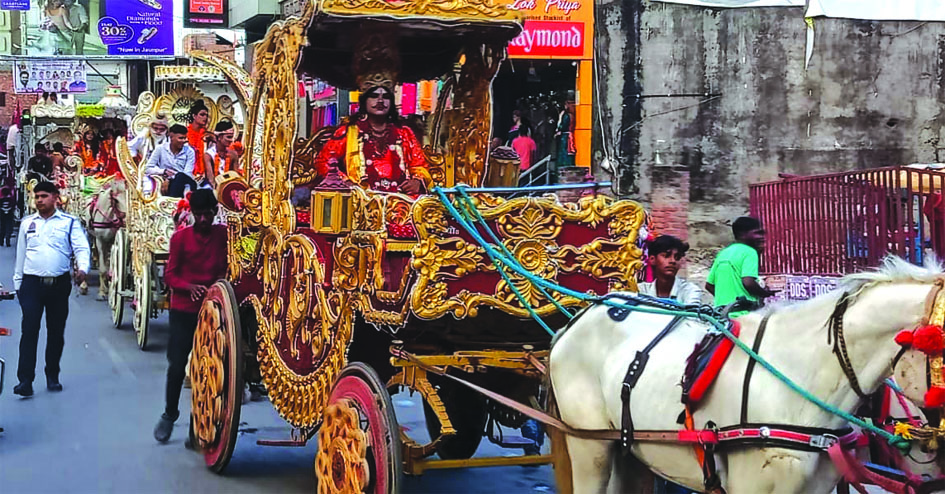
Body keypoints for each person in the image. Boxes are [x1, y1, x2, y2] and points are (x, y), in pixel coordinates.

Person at [153, 189, 227, 443]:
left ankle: (200, 423)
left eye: (208, 214)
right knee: (177, 365)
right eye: (199, 215)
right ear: (192, 214)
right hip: (184, 310)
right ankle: (169, 414)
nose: (204, 219)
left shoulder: (223, 236)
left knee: (211, 369)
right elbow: (170, 276)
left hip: (215, 312)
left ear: (216, 212)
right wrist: (190, 287)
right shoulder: (180, 239)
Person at [12, 181, 90, 396]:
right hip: (31, 284)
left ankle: (52, 375)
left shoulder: (69, 222)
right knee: (29, 331)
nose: (39, 200)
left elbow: (82, 247)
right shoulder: (28, 223)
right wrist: (18, 285)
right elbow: (21, 255)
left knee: (56, 332)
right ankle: (25, 380)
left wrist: (82, 268)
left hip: (58, 285)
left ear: (55, 197)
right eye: (37, 196)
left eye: (44, 196)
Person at [313, 78, 430, 194]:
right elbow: (323, 162)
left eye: (386, 97)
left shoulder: (404, 133)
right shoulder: (348, 132)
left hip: (401, 199)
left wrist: (417, 181)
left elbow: (419, 165)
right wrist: (344, 182)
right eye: (374, 96)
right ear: (364, 102)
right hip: (360, 199)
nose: (380, 101)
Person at [706, 216, 778, 317]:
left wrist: (727, 301)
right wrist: (766, 293)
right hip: (744, 316)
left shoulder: (723, 253)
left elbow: (709, 285)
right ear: (743, 235)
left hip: (722, 316)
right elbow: (748, 282)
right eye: (758, 233)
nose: (762, 237)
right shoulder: (750, 252)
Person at [638, 235, 704, 305]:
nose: (673, 261)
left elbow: (691, 314)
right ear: (652, 259)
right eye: (666, 256)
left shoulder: (690, 290)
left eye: (677, 257)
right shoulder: (641, 290)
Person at [145, 124, 197, 197]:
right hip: (164, 179)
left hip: (183, 181)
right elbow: (147, 168)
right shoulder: (160, 149)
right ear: (171, 136)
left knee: (180, 177)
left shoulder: (189, 151)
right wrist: (163, 171)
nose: (184, 141)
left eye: (185, 138)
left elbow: (187, 173)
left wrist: (170, 178)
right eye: (180, 138)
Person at [203, 120, 239, 188]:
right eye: (228, 137)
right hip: (212, 187)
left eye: (231, 137)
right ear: (219, 137)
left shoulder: (233, 154)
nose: (231, 140)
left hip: (229, 186)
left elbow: (235, 177)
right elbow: (210, 179)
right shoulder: (208, 155)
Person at [187, 100, 212, 178]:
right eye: (202, 115)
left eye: (206, 115)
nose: (205, 118)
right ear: (194, 116)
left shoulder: (207, 136)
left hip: (204, 174)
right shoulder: (185, 134)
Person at [0, 179, 15, 247]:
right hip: (9, 215)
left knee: (2, 227)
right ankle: (8, 242)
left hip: (2, 215)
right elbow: (14, 206)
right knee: (9, 228)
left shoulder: (1, 200)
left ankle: (1, 241)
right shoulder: (11, 200)